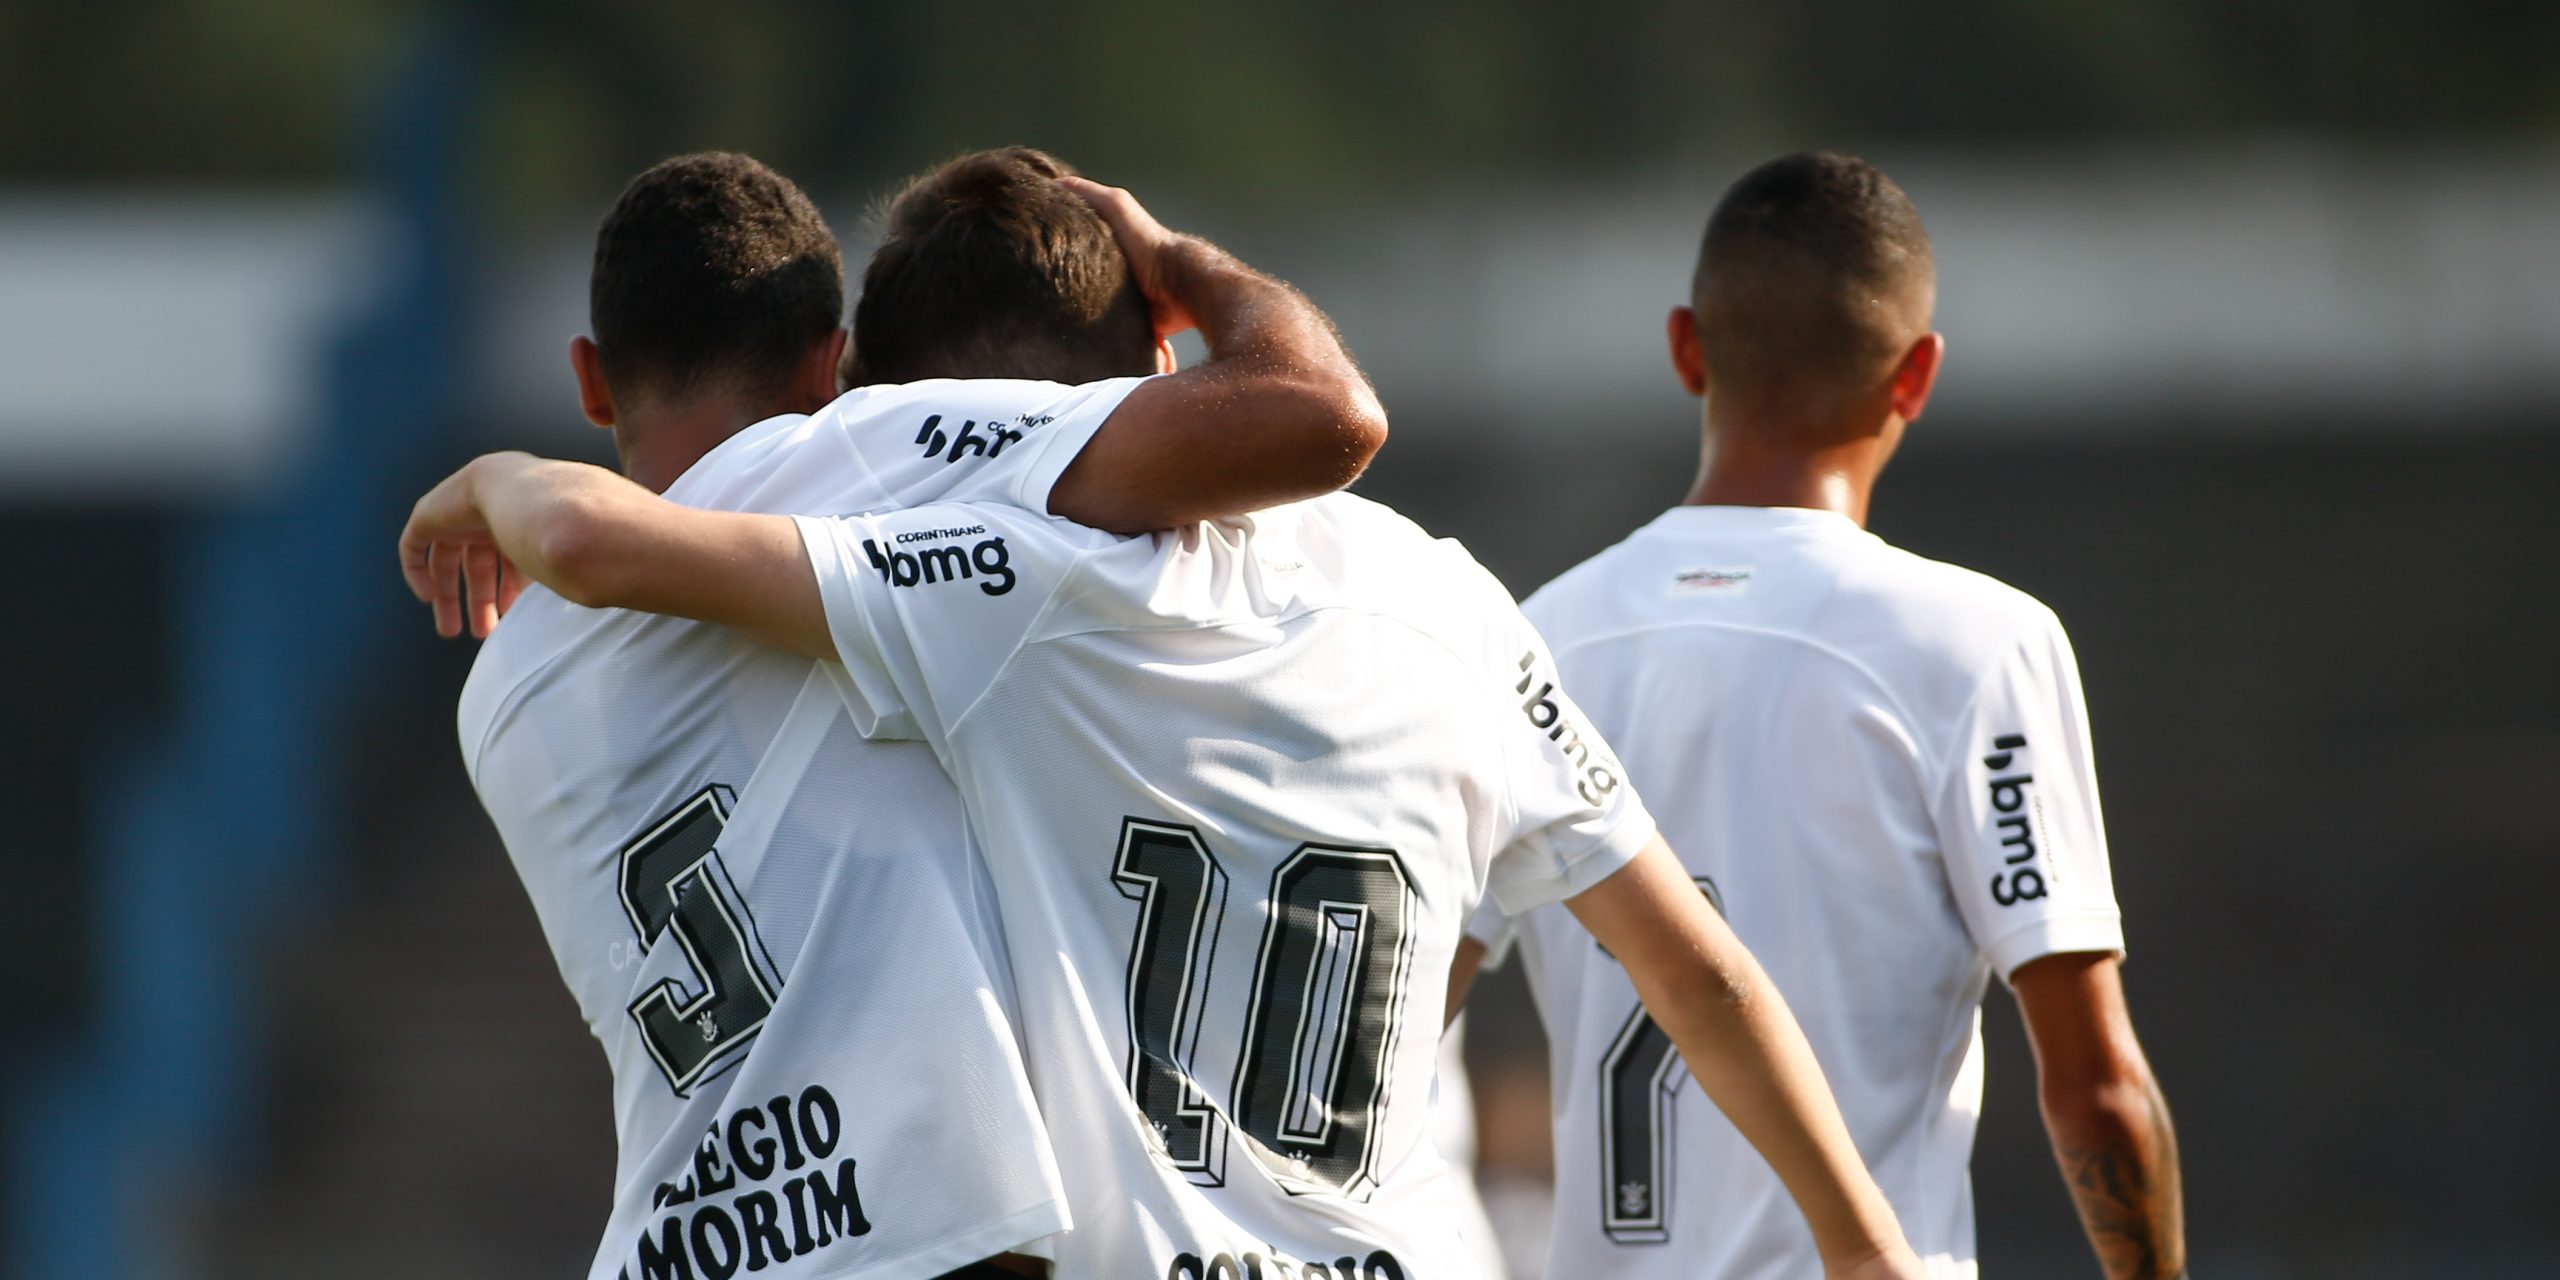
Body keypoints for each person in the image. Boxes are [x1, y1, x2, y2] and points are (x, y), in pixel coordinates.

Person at [400, 172, 1929, 1280]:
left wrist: (499, 481)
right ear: (1156, 356)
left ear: (888, 403)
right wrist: (1864, 1245)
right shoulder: (1450, 601)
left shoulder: (1007, 596)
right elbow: (1699, 971)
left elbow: (639, 546)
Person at [454, 148, 1387, 1280]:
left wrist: (492, 476)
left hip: (677, 1240)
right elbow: (1315, 415)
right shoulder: (870, 454)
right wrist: (1181, 262)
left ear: (592, 380)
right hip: (909, 1231)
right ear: (832, 360)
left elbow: (598, 547)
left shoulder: (500, 686)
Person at [1451, 151, 2186, 1279]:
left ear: (1687, 348)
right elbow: (2096, 1089)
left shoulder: (1533, 638)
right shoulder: (1980, 643)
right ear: (1917, 374)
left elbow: (1401, 1017)